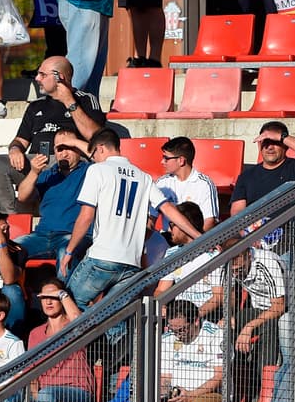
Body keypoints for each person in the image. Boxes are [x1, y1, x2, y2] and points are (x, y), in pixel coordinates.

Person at [60, 128, 203, 307]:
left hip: (103, 257)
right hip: (131, 263)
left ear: (101, 148)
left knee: (69, 304)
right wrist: (198, 235)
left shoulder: (97, 170)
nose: (94, 159)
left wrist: (69, 251)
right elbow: (168, 208)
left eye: (93, 154)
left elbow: (86, 216)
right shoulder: (143, 177)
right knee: (115, 316)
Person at [0, 56, 104, 215]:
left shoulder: (86, 100)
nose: (37, 78)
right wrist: (15, 149)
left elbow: (96, 137)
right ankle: (11, 219)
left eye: (43, 74)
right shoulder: (36, 105)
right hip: (36, 162)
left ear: (59, 77)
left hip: (69, 161)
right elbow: (20, 140)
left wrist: (70, 102)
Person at [204, 246, 287, 402]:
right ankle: (231, 386)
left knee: (268, 325)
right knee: (224, 327)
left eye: (240, 269)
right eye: (233, 271)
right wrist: (229, 317)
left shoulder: (267, 262)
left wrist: (248, 327)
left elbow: (279, 307)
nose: (236, 274)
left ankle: (264, 386)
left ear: (249, 255)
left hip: (287, 311)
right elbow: (230, 295)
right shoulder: (229, 265)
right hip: (256, 310)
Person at [12, 128, 92, 267]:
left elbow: (105, 159)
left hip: (72, 236)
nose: (64, 153)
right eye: (60, 149)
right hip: (42, 236)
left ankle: (63, 284)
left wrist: (75, 142)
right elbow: (22, 197)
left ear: (78, 149)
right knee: (9, 251)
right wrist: (34, 172)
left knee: (66, 252)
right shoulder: (48, 174)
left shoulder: (90, 170)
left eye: (69, 148)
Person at [26, 278, 89, 402]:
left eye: (53, 297)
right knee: (6, 400)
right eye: (44, 297)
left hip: (76, 392)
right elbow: (31, 371)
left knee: (46, 395)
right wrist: (35, 393)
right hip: (43, 395)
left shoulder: (72, 325)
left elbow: (80, 320)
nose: (48, 301)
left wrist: (62, 294)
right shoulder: (35, 333)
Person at [158, 299, 223, 402]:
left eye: (182, 330)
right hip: (175, 396)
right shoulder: (167, 339)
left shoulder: (216, 335)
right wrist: (162, 398)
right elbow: (165, 377)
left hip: (210, 395)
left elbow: (220, 376)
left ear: (195, 321)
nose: (177, 335)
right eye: (173, 329)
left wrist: (191, 395)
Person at [228, 121, 295, 216]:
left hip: (290, 225)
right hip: (256, 225)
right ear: (259, 145)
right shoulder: (247, 176)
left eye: (275, 142)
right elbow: (237, 212)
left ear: (285, 145)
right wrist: (250, 225)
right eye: (266, 142)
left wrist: (281, 137)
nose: (270, 147)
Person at [155, 136, 218, 231]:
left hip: (196, 238)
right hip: (167, 237)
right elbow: (151, 218)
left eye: (166, 158)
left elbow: (209, 221)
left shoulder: (204, 184)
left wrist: (192, 239)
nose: (162, 162)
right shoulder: (162, 183)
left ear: (181, 160)